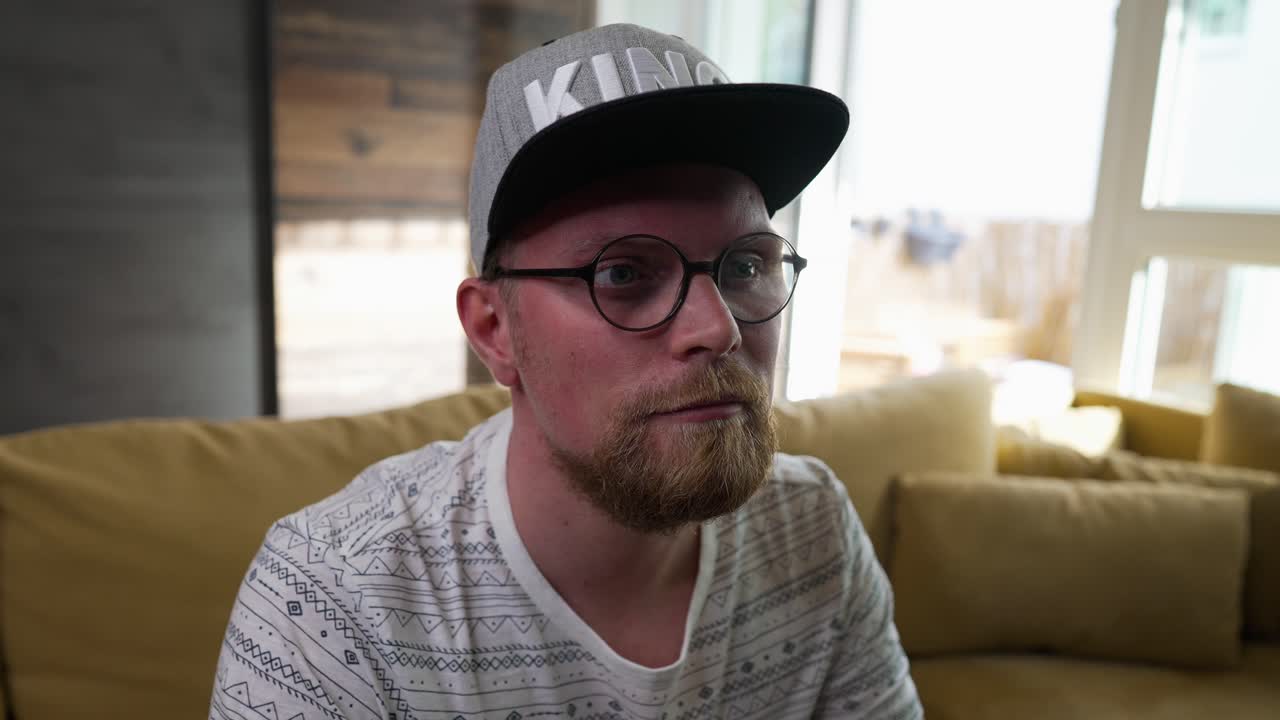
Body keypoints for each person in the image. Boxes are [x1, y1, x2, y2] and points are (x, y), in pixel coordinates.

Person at [210, 23, 920, 720]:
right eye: (622, 272)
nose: (718, 327)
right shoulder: (327, 606)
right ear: (495, 332)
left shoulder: (813, 529)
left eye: (746, 266)